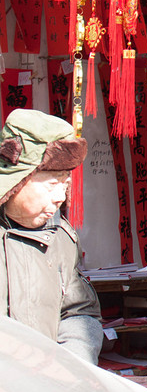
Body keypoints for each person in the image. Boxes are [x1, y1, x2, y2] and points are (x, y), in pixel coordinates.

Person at [0, 109, 101, 363]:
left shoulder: (62, 240)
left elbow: (78, 311)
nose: (60, 197)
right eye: (51, 184)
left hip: (44, 391)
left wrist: (71, 365)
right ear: (18, 181)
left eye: (65, 183)